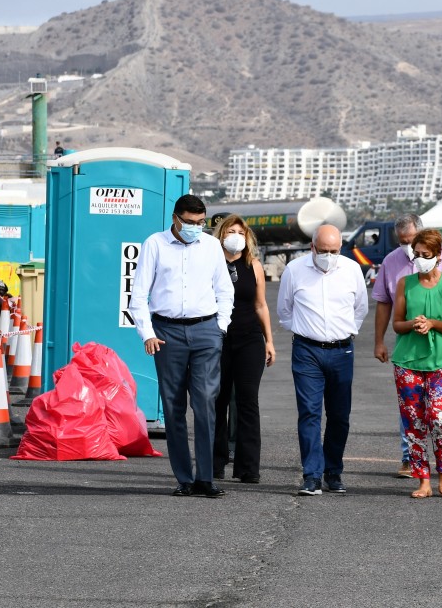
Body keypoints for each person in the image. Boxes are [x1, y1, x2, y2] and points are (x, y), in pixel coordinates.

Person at [129, 195, 234, 499]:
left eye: (200, 223)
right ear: (175, 218)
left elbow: (224, 290)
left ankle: (206, 478)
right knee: (173, 406)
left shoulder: (212, 246)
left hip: (206, 331)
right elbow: (138, 294)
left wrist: (220, 327)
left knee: (204, 404)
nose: (195, 228)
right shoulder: (155, 244)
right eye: (189, 222)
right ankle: (184, 479)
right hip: (167, 332)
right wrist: (146, 333)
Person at [372, 213, 442, 478]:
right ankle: (412, 461)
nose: (411, 250)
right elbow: (386, 306)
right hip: (409, 355)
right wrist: (379, 341)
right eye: (404, 242)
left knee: (440, 412)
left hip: (441, 354)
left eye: (414, 242)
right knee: (412, 413)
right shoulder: (393, 265)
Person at [277, 224, 368, 496]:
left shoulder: (351, 270)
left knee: (339, 415)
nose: (329, 256)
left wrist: (343, 332)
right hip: (307, 351)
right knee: (309, 413)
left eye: (334, 251)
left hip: (342, 350)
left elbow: (360, 309)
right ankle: (311, 475)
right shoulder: (295, 271)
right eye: (324, 251)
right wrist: (310, 331)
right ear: (312, 247)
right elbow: (284, 311)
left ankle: (333, 470)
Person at [391, 229, 442, 498]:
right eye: (417, 254)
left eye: (426, 254)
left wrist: (432, 323)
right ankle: (422, 478)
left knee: (439, 418)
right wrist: (414, 323)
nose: (420, 259)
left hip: (441, 361)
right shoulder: (404, 283)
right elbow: (397, 324)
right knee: (413, 421)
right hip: (407, 361)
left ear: (438, 255)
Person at [212, 214, 276, 484]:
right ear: (221, 234)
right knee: (217, 400)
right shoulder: (210, 264)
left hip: (249, 338)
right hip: (217, 339)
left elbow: (260, 305)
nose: (235, 235)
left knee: (248, 400)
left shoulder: (254, 265)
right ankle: (214, 464)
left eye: (240, 231)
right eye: (230, 230)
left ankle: (248, 467)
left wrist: (269, 340)